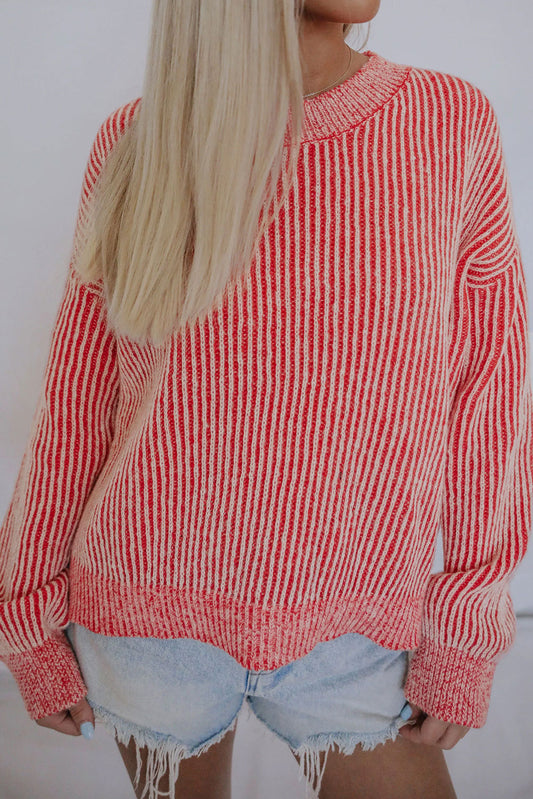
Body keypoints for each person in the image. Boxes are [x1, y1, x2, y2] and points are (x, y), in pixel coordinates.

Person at [1, 1, 532, 798]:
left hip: (360, 626)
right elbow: (77, 402)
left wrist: (464, 625)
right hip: (148, 623)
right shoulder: (138, 139)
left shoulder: (448, 122)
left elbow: (491, 388)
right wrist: (26, 617)